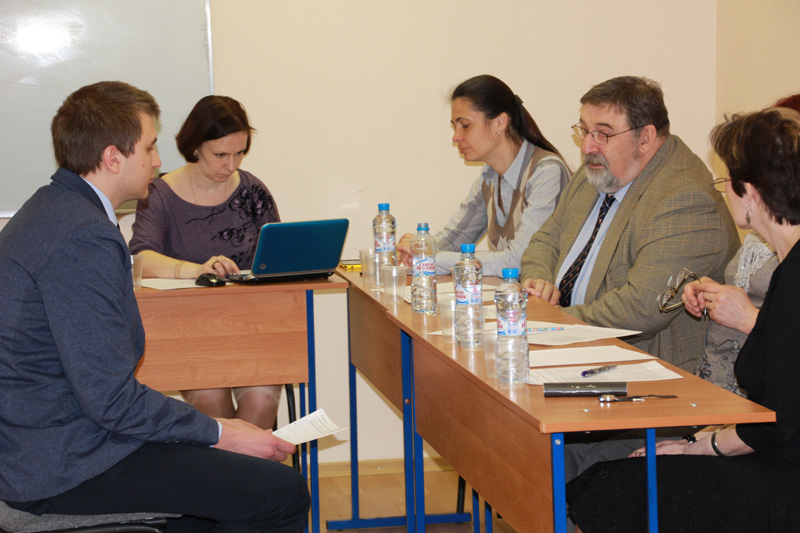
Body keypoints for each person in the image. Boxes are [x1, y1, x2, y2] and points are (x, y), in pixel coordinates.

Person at [0, 81, 309, 532]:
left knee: (229, 497)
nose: (159, 160)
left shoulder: (55, 209)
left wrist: (213, 434)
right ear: (113, 157)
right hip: (66, 463)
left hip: (58, 444)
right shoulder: (81, 236)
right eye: (149, 147)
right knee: (283, 492)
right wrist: (222, 431)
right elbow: (111, 400)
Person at [567, 107, 800, 533]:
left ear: (750, 191)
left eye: (725, 182)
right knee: (612, 479)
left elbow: (779, 424)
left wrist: (698, 445)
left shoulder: (794, 274)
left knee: (612, 487)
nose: (723, 193)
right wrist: (699, 440)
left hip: (786, 476)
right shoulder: (788, 268)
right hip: (774, 453)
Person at [520, 76, 739, 371]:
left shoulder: (685, 199)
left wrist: (552, 323)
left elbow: (640, 310)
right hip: (577, 343)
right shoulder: (597, 171)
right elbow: (545, 240)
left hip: (649, 366)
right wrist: (538, 283)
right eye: (585, 130)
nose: (587, 146)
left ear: (645, 138)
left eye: (603, 134)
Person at [129, 95, 282, 430]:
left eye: (240, 153)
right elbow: (141, 257)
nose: (231, 165)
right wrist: (196, 270)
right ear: (196, 146)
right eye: (220, 155)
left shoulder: (253, 191)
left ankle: (244, 465)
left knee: (262, 399)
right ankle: (234, 464)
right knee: (210, 400)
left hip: (252, 326)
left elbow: (277, 258)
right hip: (190, 328)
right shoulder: (159, 194)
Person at [396, 75, 570, 277]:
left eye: (465, 125)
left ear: (500, 122)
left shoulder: (547, 172)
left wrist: (427, 258)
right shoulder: (489, 175)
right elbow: (454, 239)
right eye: (454, 126)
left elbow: (519, 260)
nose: (455, 137)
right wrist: (419, 249)